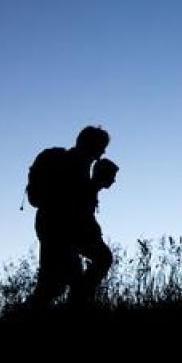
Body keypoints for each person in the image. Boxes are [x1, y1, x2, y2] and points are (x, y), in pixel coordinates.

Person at [29, 125, 110, 308]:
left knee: (58, 281)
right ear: (88, 144)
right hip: (59, 228)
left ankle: (73, 308)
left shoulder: (81, 165)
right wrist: (96, 184)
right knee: (54, 283)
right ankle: (71, 310)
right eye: (100, 147)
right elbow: (72, 203)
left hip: (57, 227)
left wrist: (96, 184)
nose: (102, 153)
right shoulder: (71, 165)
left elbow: (82, 206)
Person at [68, 157, 118, 305]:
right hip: (78, 237)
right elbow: (80, 215)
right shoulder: (88, 189)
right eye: (112, 176)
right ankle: (79, 300)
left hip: (82, 236)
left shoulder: (90, 189)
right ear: (103, 174)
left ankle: (79, 299)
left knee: (78, 274)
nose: (114, 181)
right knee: (104, 258)